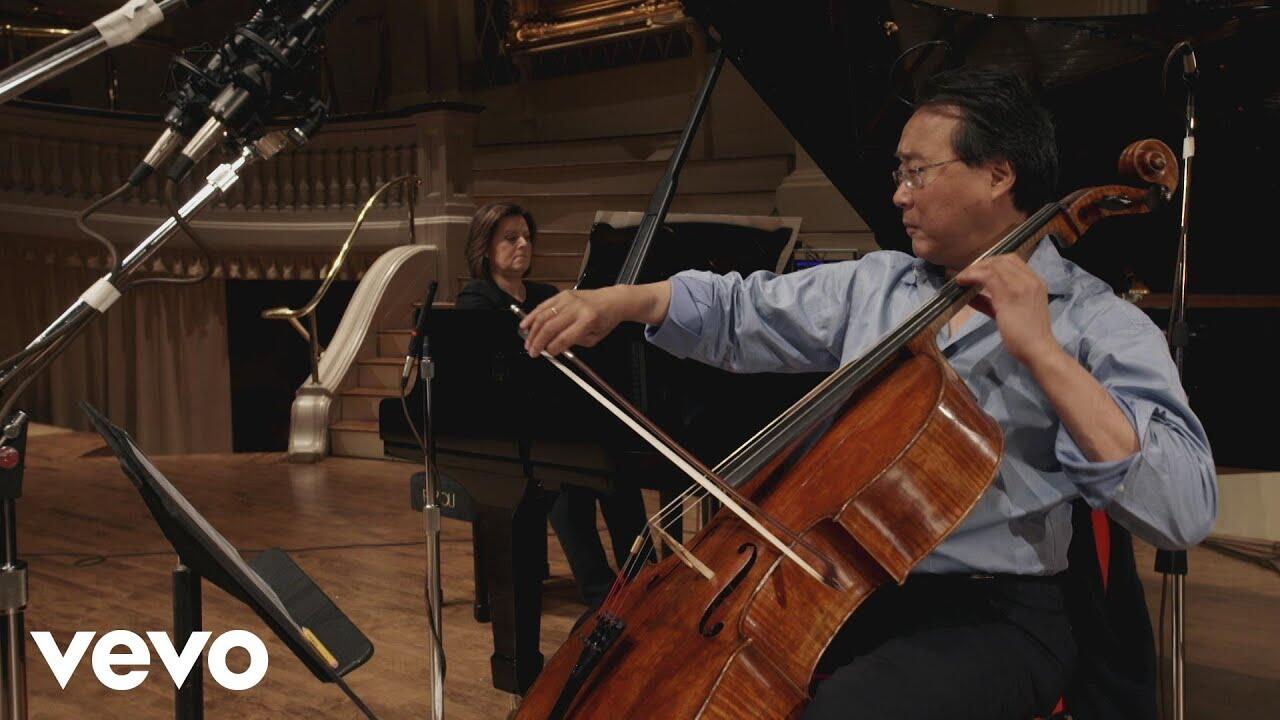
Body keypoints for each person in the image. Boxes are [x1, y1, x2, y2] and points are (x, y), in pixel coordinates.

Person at [517, 68, 1217, 719]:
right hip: (846, 590)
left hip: (994, 614)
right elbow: (741, 311)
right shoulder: (880, 285)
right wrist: (622, 302)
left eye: (916, 172)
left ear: (998, 174)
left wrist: (1043, 354)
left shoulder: (1098, 324)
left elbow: (1182, 509)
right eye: (898, 173)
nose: (899, 195)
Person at [457, 201, 648, 611]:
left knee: (616, 471)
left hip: (558, 419)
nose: (523, 245)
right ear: (485, 247)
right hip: (509, 428)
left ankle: (645, 578)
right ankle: (601, 593)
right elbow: (489, 377)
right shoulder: (476, 300)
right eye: (511, 238)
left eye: (527, 237)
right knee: (566, 480)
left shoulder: (545, 295)